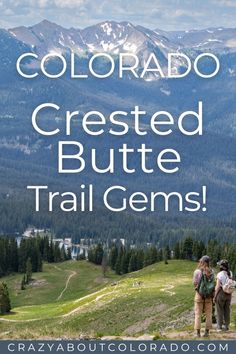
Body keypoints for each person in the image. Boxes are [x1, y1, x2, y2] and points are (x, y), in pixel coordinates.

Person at [193, 255, 215, 337]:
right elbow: (213, 284)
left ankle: (198, 333)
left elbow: (194, 283)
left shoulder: (197, 272)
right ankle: (206, 332)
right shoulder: (212, 271)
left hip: (199, 295)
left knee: (198, 314)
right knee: (209, 314)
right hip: (208, 296)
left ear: (202, 262)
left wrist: (198, 290)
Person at [214, 259, 233, 331]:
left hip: (221, 293)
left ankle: (219, 327)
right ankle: (227, 326)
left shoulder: (220, 274)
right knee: (227, 310)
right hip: (229, 293)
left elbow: (218, 286)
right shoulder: (230, 273)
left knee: (219, 310)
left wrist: (215, 296)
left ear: (221, 266)